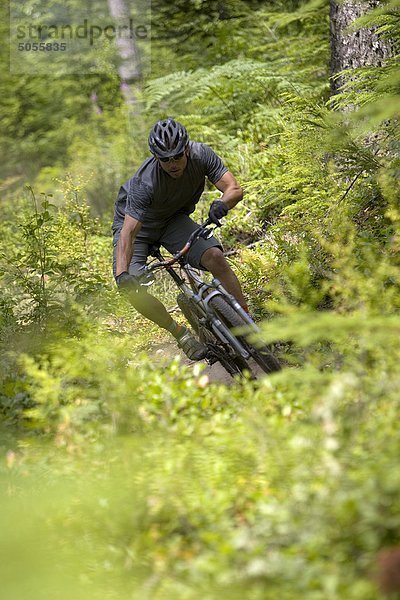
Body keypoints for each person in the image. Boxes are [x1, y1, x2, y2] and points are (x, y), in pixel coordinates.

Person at [112, 117, 248, 360]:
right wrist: (123, 274)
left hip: (173, 219)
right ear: (156, 158)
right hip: (138, 232)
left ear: (186, 149)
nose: (172, 163)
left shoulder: (200, 155)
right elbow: (129, 233)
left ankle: (247, 323)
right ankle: (180, 334)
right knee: (131, 290)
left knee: (215, 256)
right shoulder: (145, 182)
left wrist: (222, 204)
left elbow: (234, 189)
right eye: (165, 159)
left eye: (177, 156)